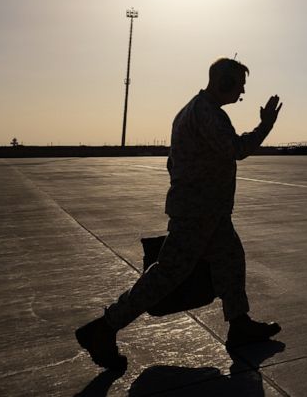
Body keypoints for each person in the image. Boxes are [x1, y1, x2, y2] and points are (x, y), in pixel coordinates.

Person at [76, 57, 283, 370]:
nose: (242, 92)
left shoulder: (195, 110)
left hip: (208, 212)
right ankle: (103, 328)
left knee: (231, 259)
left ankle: (240, 324)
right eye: (239, 84)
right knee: (167, 274)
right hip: (198, 214)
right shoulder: (206, 113)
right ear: (223, 82)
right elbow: (236, 150)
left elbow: (175, 162)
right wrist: (265, 125)